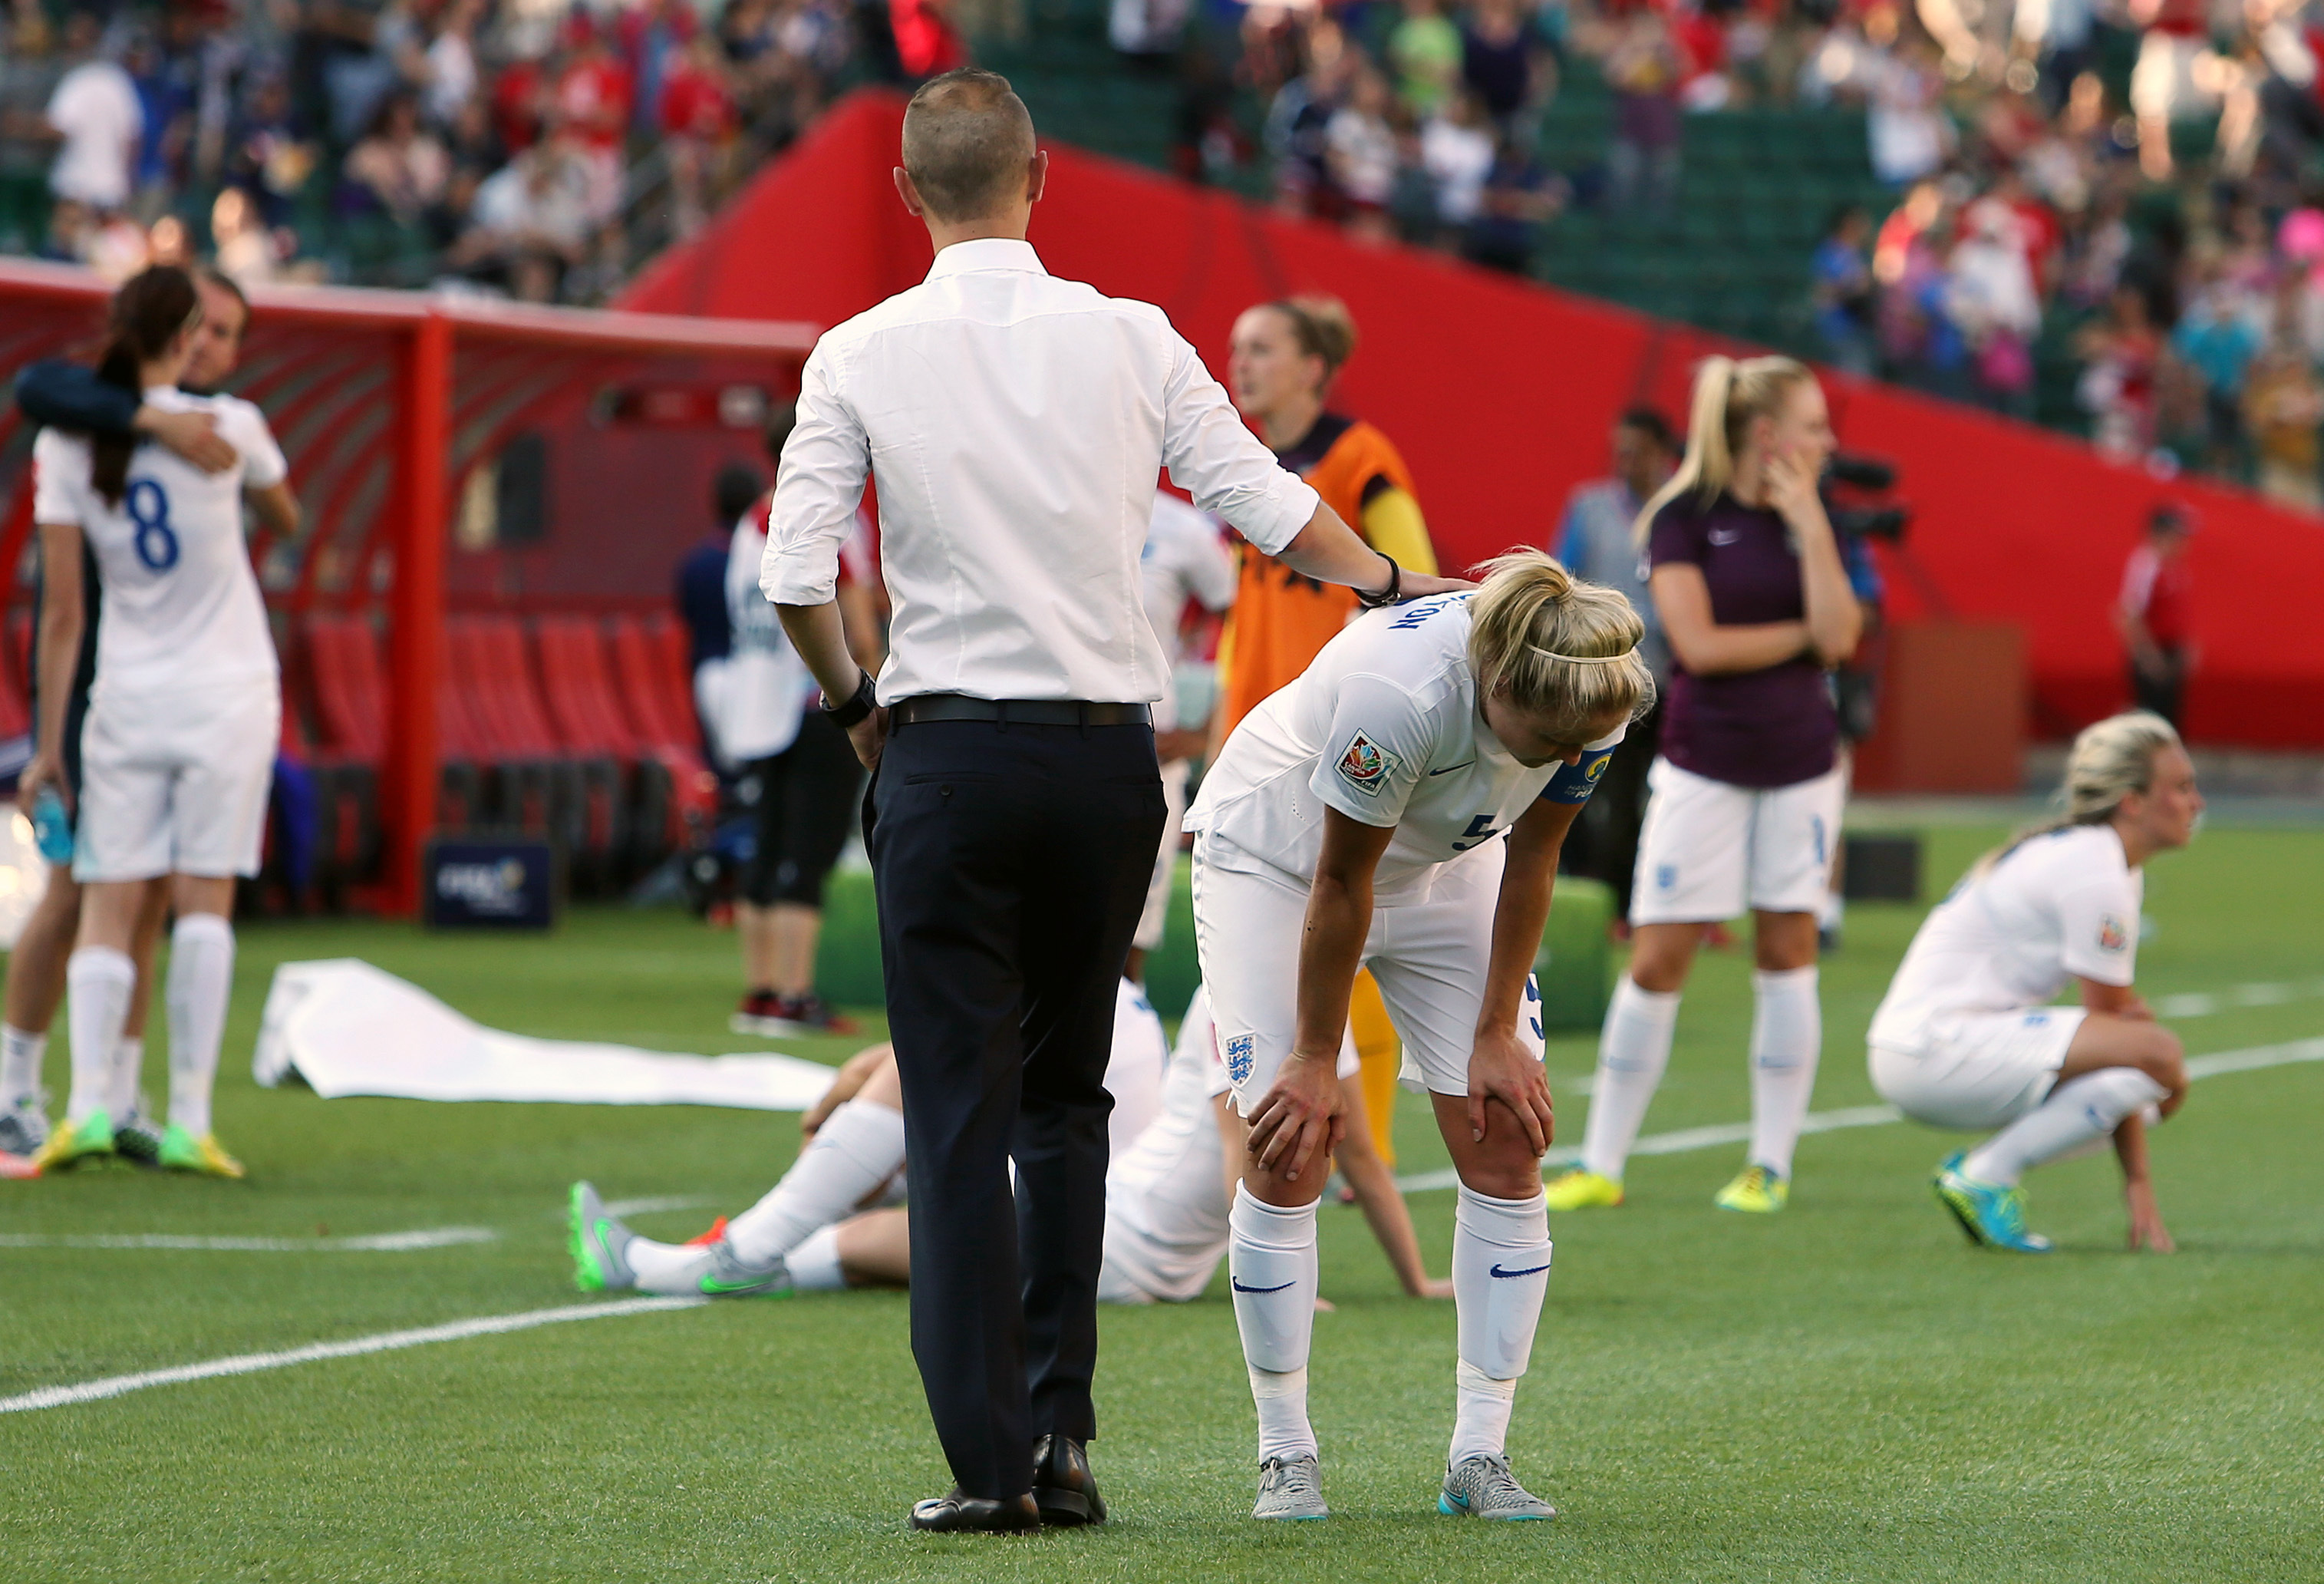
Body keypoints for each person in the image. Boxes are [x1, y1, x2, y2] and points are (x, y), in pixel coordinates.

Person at [758, 69, 1459, 1535]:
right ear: (1041, 174)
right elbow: (1262, 501)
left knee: (954, 1113)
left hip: (942, 750)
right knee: (1067, 1104)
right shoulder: (1134, 333)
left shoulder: (858, 347)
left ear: (906, 193)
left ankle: (985, 1460)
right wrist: (1400, 583)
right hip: (1102, 762)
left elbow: (792, 572)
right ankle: (1065, 1438)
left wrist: (852, 710)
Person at [1185, 553, 1651, 1522]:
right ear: (1494, 684)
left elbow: (1535, 856)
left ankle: (1478, 1456)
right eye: (1540, 740)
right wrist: (1316, 1058)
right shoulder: (1395, 696)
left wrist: (1494, 1031)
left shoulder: (1589, 690)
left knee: (1507, 1133)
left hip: (1448, 859)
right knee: (1288, 1146)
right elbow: (1339, 885)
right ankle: (1284, 1452)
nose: (1556, 755)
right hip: (1284, 864)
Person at [569, 982, 1453, 1304]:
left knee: (895, 1224)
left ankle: (701, 1262)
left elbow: (1252, 1168)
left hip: (1113, 1244)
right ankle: (729, 1253)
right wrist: (1402, 1283)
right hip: (1127, 1238)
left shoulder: (1262, 1000)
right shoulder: (1276, 999)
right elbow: (1357, 1161)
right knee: (886, 1232)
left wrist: (1273, 1282)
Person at [1545, 355, 1862, 1218]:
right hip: (1703, 763)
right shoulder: (1682, 517)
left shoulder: (1812, 516)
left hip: (1800, 765)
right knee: (1656, 957)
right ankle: (1601, 1162)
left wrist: (1810, 533)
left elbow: (1843, 638)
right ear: (1767, 435)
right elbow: (1699, 646)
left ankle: (1768, 1163)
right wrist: (1804, 633)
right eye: (1814, 424)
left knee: (1786, 953)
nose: (1827, 442)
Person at [20, 266, 300, 1178]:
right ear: (186, 339)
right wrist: (255, 488)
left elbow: (61, 613)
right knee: (202, 902)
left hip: (125, 695)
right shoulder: (232, 427)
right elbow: (287, 514)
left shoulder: (65, 446)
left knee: (107, 900)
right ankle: (188, 1117)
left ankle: (91, 1106)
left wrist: (48, 743)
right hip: (226, 691)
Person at [1215, 294, 1439, 1175]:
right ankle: (1273, 1148)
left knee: (1359, 939)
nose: (1240, 363)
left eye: (1261, 348)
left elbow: (1414, 584)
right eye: (1235, 347)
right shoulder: (1250, 467)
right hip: (1257, 741)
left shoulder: (1358, 457)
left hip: (1341, 739)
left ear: (1313, 366)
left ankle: (1369, 1153)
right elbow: (1245, 613)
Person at [1869, 713, 2197, 1253]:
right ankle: (1985, 1174)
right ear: (2132, 802)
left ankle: (1985, 1173)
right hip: (1931, 1050)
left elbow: (2121, 1048)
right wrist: (2138, 1178)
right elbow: (2130, 1042)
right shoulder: (2094, 871)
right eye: (2181, 788)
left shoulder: (2101, 860)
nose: (2196, 803)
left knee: (2148, 1067)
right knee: (2160, 1061)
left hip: (1930, 1047)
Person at [724, 411, 880, 1036]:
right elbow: (855, 622)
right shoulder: (829, 517)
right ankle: (794, 994)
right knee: (807, 852)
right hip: (816, 701)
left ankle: (761, 992)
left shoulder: (746, 523)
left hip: (756, 704)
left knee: (765, 846)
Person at [1551, 408, 1676, 926]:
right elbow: (1562, 578)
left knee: (1671, 799)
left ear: (1661, 454)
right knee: (1612, 797)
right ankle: (1616, 905)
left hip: (1677, 675)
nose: (1626, 461)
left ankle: (1674, 905)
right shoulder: (1590, 507)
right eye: (1619, 450)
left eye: (1637, 450)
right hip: (1608, 677)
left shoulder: (1685, 508)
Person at [1129, 490, 1237, 986]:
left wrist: (1205, 732)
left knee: (1128, 941)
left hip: (1146, 755)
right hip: (1040, 748)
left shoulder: (1182, 530)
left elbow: (1253, 622)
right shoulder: (1034, 504)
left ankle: (1122, 1057)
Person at [2115, 503, 2195, 729]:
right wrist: (2148, 656)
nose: (2181, 542)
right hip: (2153, 654)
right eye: (2176, 536)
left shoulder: (2176, 568)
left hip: (2170, 652)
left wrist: (2184, 647)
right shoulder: (2145, 565)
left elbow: (2177, 613)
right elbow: (2130, 614)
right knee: (2150, 722)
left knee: (2170, 722)